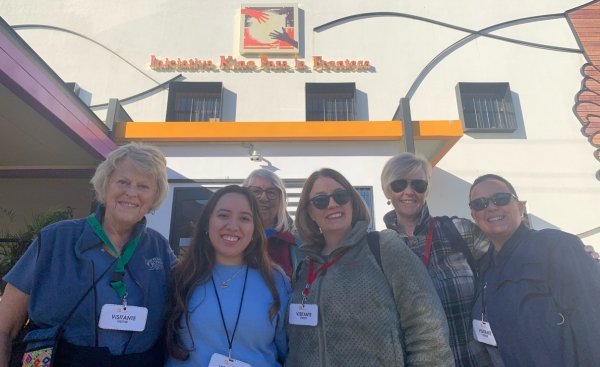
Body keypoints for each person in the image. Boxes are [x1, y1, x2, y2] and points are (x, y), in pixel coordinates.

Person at [0, 142, 176, 366]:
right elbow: (5, 327)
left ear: (155, 196)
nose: (131, 192)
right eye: (122, 182)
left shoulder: (159, 250)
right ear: (105, 185)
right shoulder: (55, 239)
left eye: (143, 186)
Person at [286, 168, 454, 367]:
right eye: (320, 201)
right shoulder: (303, 269)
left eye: (341, 196)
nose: (332, 204)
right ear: (310, 213)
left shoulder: (383, 247)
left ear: (352, 202)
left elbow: (428, 330)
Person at [468, 174, 600, 366]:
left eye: (501, 199)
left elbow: (593, 322)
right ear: (474, 216)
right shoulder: (484, 267)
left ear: (520, 207)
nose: (491, 207)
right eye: (480, 204)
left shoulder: (556, 246)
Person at [381, 153, 490, 367]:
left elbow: (507, 261)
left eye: (418, 184)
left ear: (427, 190)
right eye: (399, 184)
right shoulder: (378, 250)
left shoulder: (460, 231)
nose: (409, 191)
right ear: (387, 190)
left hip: (475, 360)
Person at [165, 185, 290, 367]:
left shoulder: (276, 280)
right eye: (223, 215)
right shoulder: (181, 275)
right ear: (208, 223)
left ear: (255, 230)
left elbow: (287, 349)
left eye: (244, 218)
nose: (233, 226)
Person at [242, 169, 298, 277]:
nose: (264, 198)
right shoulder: (232, 237)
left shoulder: (296, 243)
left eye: (271, 192)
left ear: (281, 199)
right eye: (256, 191)